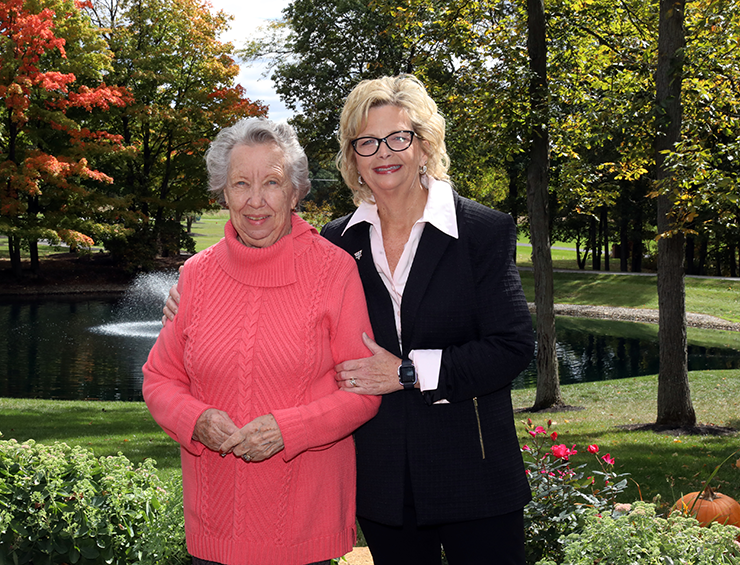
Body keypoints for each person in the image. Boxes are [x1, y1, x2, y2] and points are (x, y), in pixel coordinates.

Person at [165, 75, 535, 565]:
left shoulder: (482, 230)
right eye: (366, 142)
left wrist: (409, 372)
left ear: (424, 145)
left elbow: (511, 347)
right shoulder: (341, 242)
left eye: (398, 137)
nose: (384, 152)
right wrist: (188, 299)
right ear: (353, 158)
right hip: (384, 484)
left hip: (473, 473)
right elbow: (276, 276)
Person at [143, 117, 381, 565]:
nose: (256, 201)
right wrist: (195, 420)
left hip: (303, 528)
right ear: (223, 192)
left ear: (295, 192)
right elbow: (159, 378)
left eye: (271, 182)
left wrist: (288, 431)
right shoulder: (195, 276)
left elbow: (363, 393)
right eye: (240, 184)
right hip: (214, 526)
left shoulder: (336, 271)